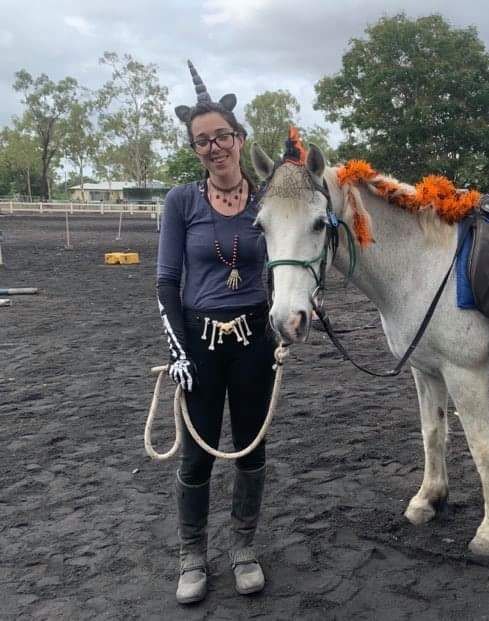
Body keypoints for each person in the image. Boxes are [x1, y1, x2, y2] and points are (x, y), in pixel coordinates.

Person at [157, 60, 274, 604]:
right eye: (202, 141)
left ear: (239, 137)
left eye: (222, 136)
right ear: (195, 149)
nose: (214, 147)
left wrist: (290, 319)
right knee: (197, 454)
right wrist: (178, 351)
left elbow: (292, 263)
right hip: (200, 344)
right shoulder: (182, 201)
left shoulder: (267, 199)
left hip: (254, 341)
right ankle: (192, 556)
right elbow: (166, 282)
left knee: (251, 447)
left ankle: (244, 548)